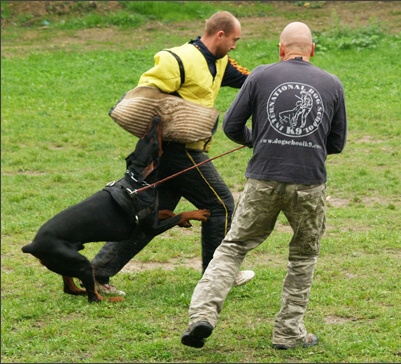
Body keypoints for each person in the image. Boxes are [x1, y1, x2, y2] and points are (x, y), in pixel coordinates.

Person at [181, 21, 347, 350]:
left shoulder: (260, 74)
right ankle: (288, 332)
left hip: (263, 178)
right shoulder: (332, 83)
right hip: (309, 184)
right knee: (303, 257)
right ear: (312, 51)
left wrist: (260, 142)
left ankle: (202, 315)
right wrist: (304, 146)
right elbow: (337, 142)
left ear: (281, 50)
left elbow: (230, 125)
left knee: (232, 248)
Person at [91, 11, 255, 296]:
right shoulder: (177, 59)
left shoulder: (221, 61)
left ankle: (97, 272)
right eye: (233, 40)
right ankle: (216, 277)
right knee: (221, 206)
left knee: (150, 215)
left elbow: (251, 80)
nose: (234, 46)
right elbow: (144, 97)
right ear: (220, 35)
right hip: (176, 150)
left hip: (183, 151)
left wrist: (283, 74)